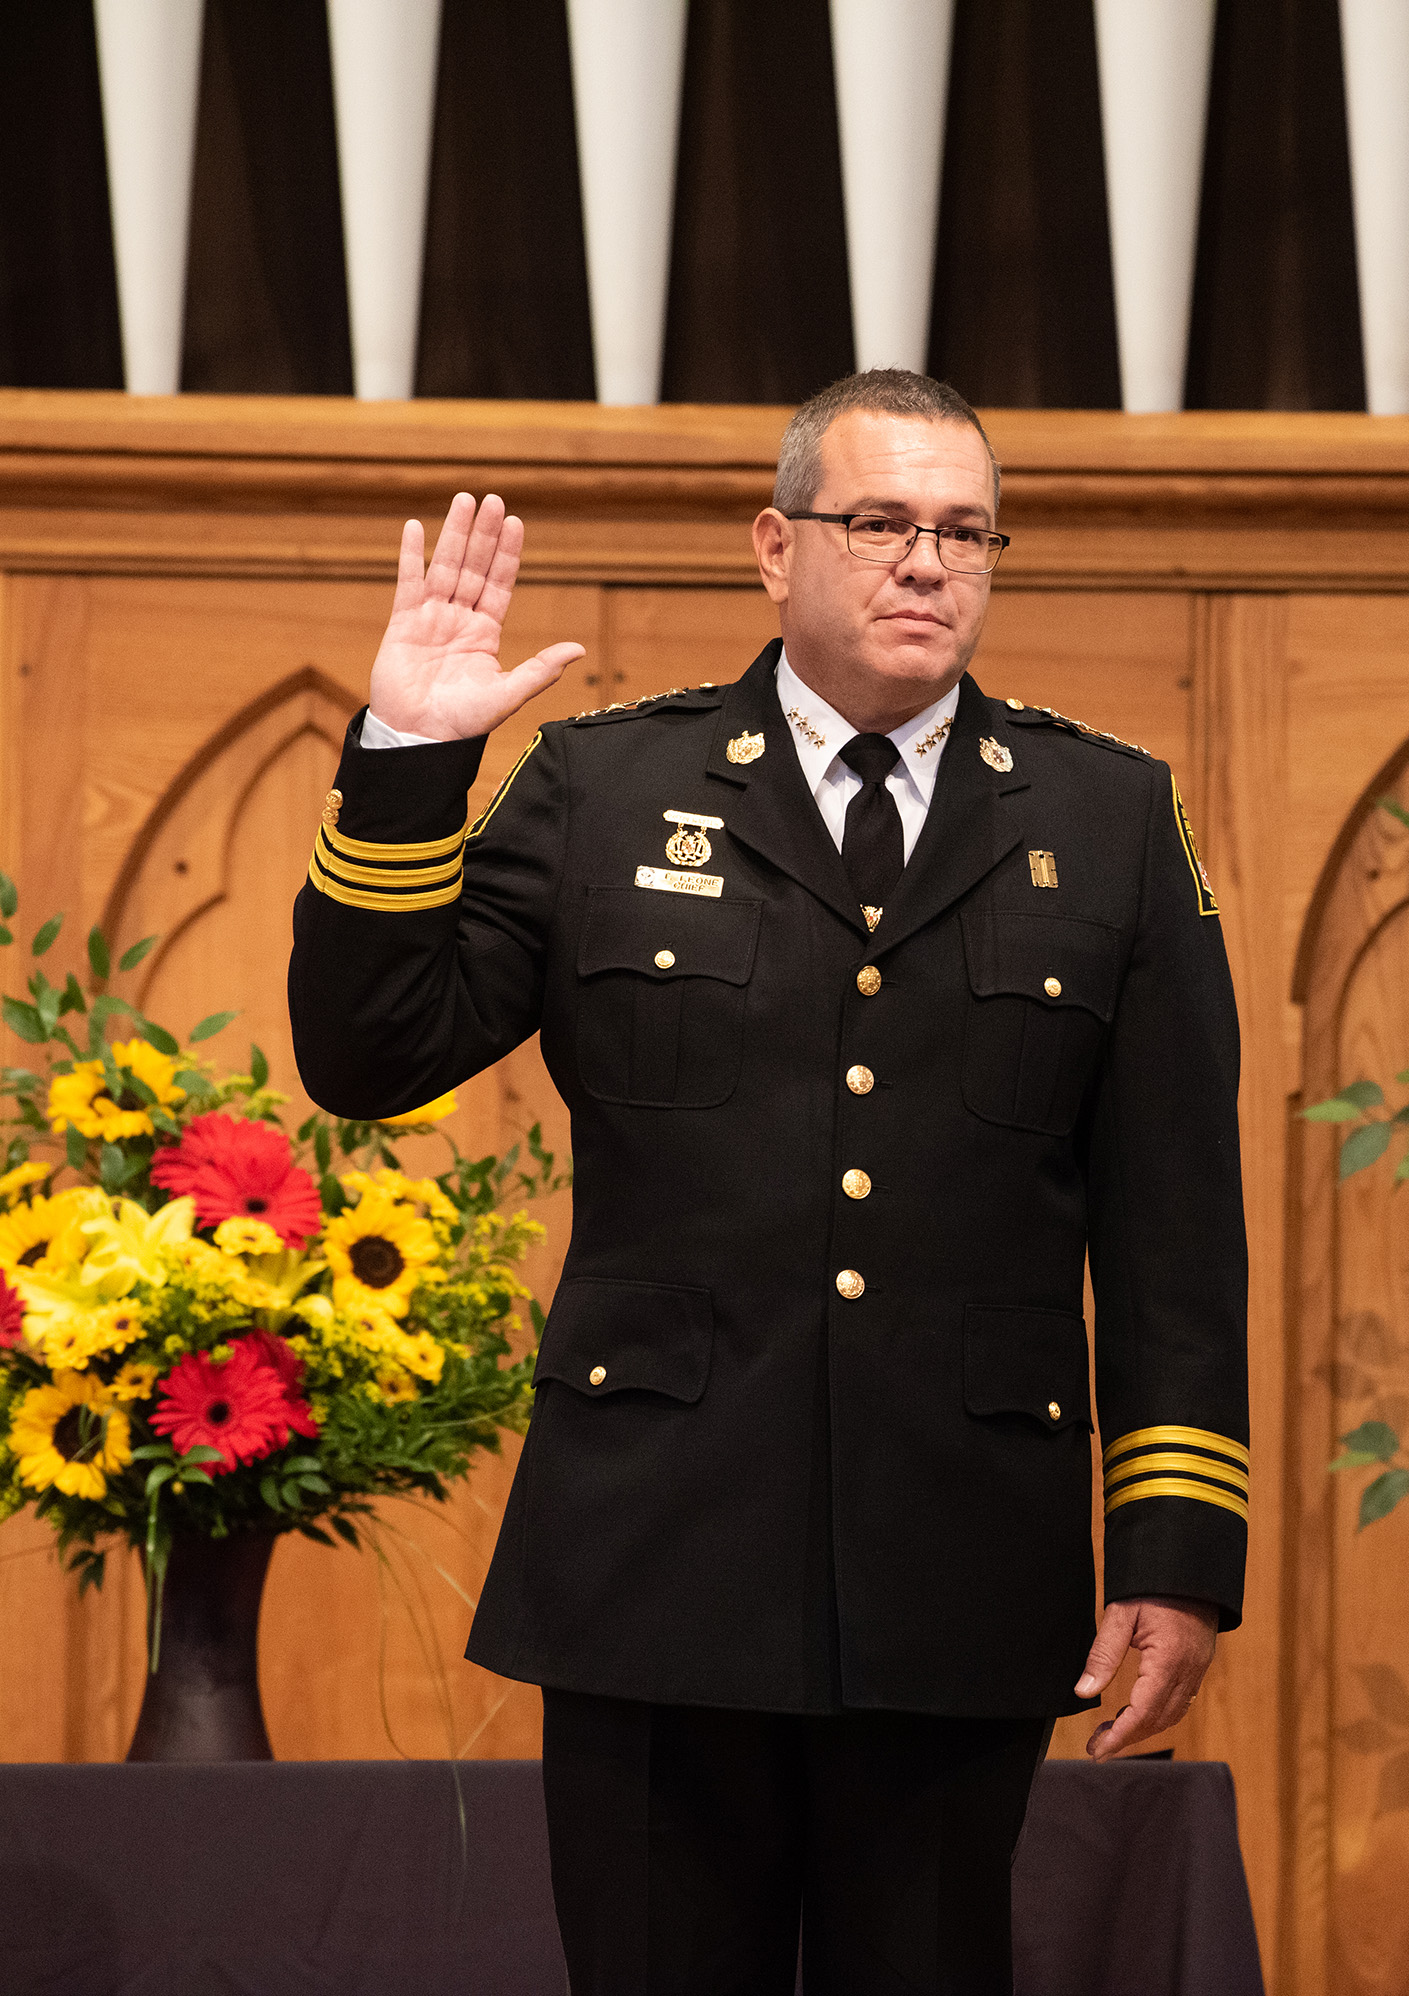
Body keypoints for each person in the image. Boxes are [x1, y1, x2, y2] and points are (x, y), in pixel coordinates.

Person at [288, 369, 1249, 1992]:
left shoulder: (1108, 816)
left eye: (966, 531)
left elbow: (1174, 1230)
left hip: (960, 1572)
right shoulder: (608, 790)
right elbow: (369, 1057)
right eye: (881, 522)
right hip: (660, 1557)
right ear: (773, 545)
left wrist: (1172, 1548)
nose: (927, 563)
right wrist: (406, 762)